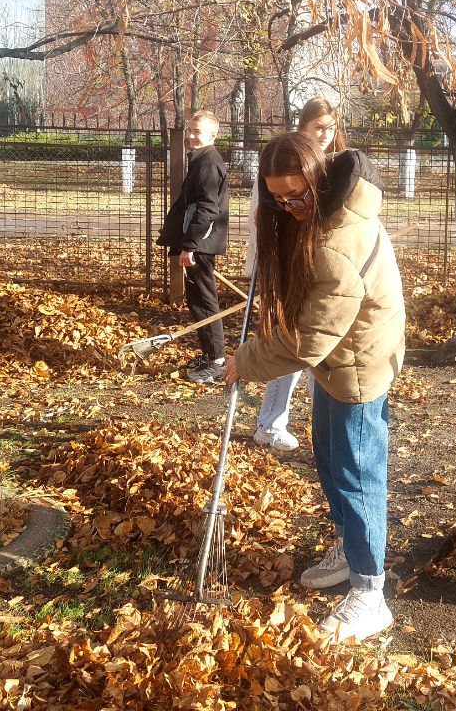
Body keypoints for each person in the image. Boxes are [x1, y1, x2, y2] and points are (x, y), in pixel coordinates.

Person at [225, 131, 404, 643]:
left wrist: (248, 359)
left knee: (357, 472)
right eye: (277, 198)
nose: (289, 206)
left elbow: (308, 342)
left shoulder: (337, 243)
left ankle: (370, 591)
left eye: (297, 195)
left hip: (357, 363)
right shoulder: (320, 213)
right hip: (336, 358)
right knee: (328, 459)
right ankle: (349, 549)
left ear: (318, 179)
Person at [245, 97, 347, 452]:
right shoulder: (283, 164)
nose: (325, 134)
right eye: (317, 127)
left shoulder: (334, 169)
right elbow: (264, 222)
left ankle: (324, 423)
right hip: (285, 274)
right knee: (289, 344)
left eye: (330, 127)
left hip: (321, 274)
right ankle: (270, 424)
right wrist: (266, 275)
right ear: (302, 127)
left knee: (319, 348)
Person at [156, 109, 230, 384]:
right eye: (190, 130)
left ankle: (218, 361)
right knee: (197, 300)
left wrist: (190, 244)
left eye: (198, 131)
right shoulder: (199, 160)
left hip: (200, 245)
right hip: (197, 243)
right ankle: (210, 355)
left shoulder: (209, 162)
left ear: (212, 135)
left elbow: (208, 209)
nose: (191, 135)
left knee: (205, 300)